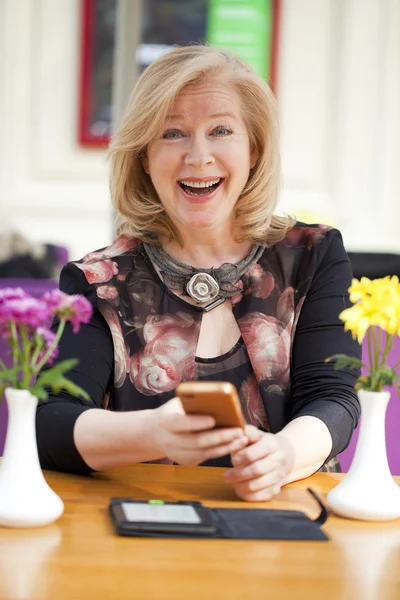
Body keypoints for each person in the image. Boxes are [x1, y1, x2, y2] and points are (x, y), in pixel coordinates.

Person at [36, 45, 361, 502]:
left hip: (286, 521)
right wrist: (149, 433)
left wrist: (285, 454)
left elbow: (335, 400)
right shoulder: (95, 280)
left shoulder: (313, 255)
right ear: (144, 158)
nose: (198, 155)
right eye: (173, 133)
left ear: (254, 149)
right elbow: (50, 421)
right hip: (140, 530)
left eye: (221, 130)